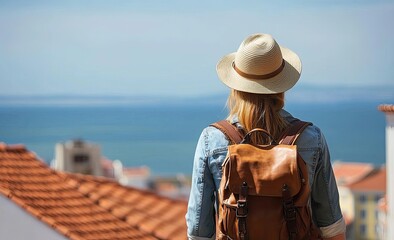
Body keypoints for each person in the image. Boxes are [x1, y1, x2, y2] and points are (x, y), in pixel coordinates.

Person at [185, 33, 346, 240]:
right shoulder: (310, 137)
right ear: (281, 87)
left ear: (235, 88)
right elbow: (331, 226)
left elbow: (198, 230)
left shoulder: (212, 139)